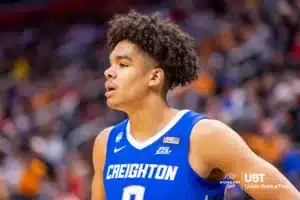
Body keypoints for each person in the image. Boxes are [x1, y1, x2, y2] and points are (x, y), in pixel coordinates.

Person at [91, 10, 300, 200]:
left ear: (154, 77)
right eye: (111, 64)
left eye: (123, 64)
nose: (109, 72)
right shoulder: (106, 143)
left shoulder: (204, 135)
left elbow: (284, 195)